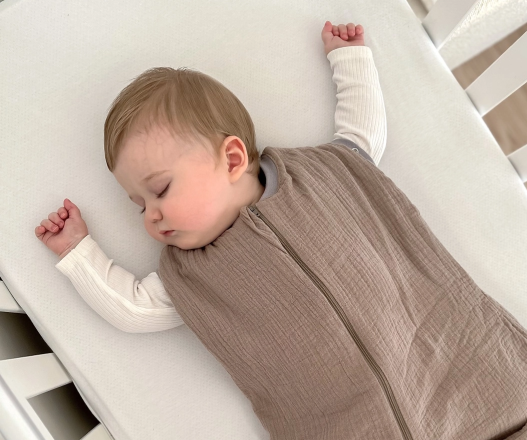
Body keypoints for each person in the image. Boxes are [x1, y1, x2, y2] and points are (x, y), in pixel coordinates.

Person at [34, 21, 386, 333]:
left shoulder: (305, 178)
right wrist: (77, 250)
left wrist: (350, 60)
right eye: (140, 206)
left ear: (232, 160)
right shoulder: (196, 273)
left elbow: (359, 143)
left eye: (161, 189)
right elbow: (137, 310)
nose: (152, 215)